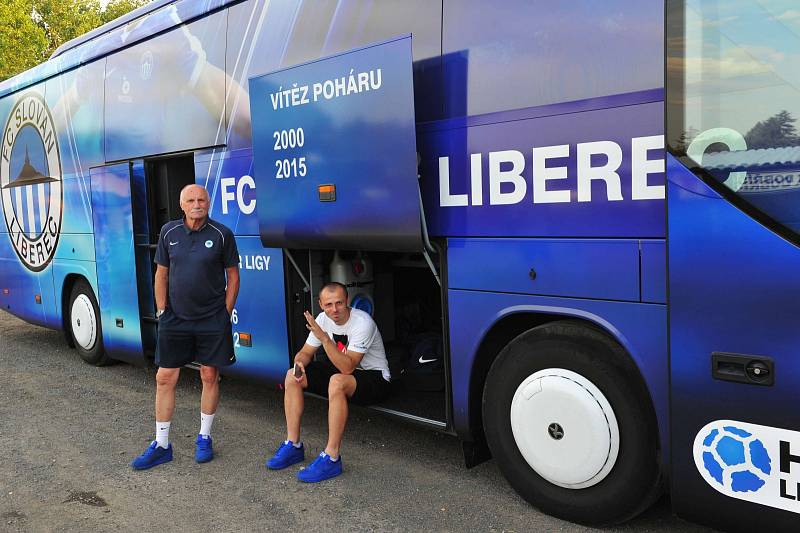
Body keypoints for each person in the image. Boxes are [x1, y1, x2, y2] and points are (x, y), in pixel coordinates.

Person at [131, 184, 240, 470]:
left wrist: (224, 313)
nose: (197, 204)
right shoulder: (169, 232)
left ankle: (204, 437)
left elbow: (233, 275)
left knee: (209, 375)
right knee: (164, 378)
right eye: (191, 200)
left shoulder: (222, 234)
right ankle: (162, 445)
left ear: (208, 203)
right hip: (175, 319)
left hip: (211, 319)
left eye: (201, 199)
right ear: (181, 204)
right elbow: (161, 274)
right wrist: (162, 310)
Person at [266, 282, 391, 482]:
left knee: (337, 381)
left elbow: (348, 367)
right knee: (292, 375)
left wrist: (324, 338)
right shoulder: (322, 319)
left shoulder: (362, 322)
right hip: (344, 373)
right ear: (320, 304)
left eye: (339, 303)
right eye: (329, 304)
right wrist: (299, 363)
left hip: (375, 378)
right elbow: (306, 352)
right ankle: (293, 445)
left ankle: (332, 458)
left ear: (347, 301)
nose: (334, 310)